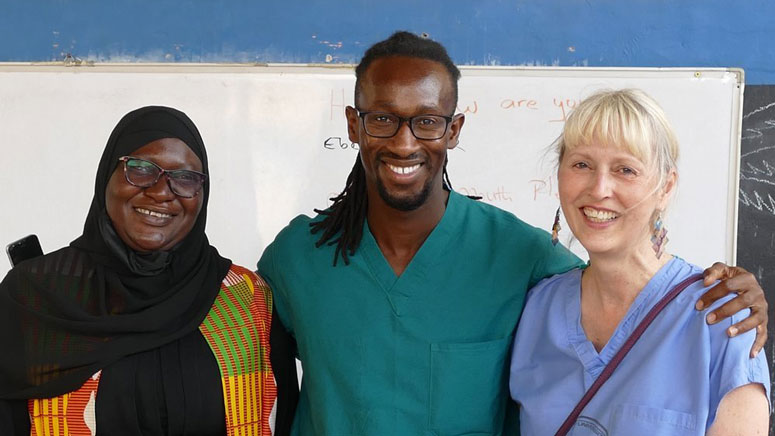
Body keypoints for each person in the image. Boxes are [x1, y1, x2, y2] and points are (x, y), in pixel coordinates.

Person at [258, 32, 769, 435]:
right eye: (383, 120)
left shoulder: (523, 258)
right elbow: (253, 371)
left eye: (428, 122)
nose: (404, 142)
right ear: (353, 125)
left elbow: (626, 296)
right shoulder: (297, 257)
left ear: (454, 130)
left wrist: (730, 289)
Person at [0, 106, 286, 435]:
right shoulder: (34, 296)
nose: (162, 192)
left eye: (185, 178)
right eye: (140, 169)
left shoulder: (247, 299)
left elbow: (283, 416)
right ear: (108, 174)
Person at [509, 89, 770, 435]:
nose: (599, 188)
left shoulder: (723, 317)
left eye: (625, 170)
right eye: (581, 164)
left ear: (666, 187)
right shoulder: (536, 309)